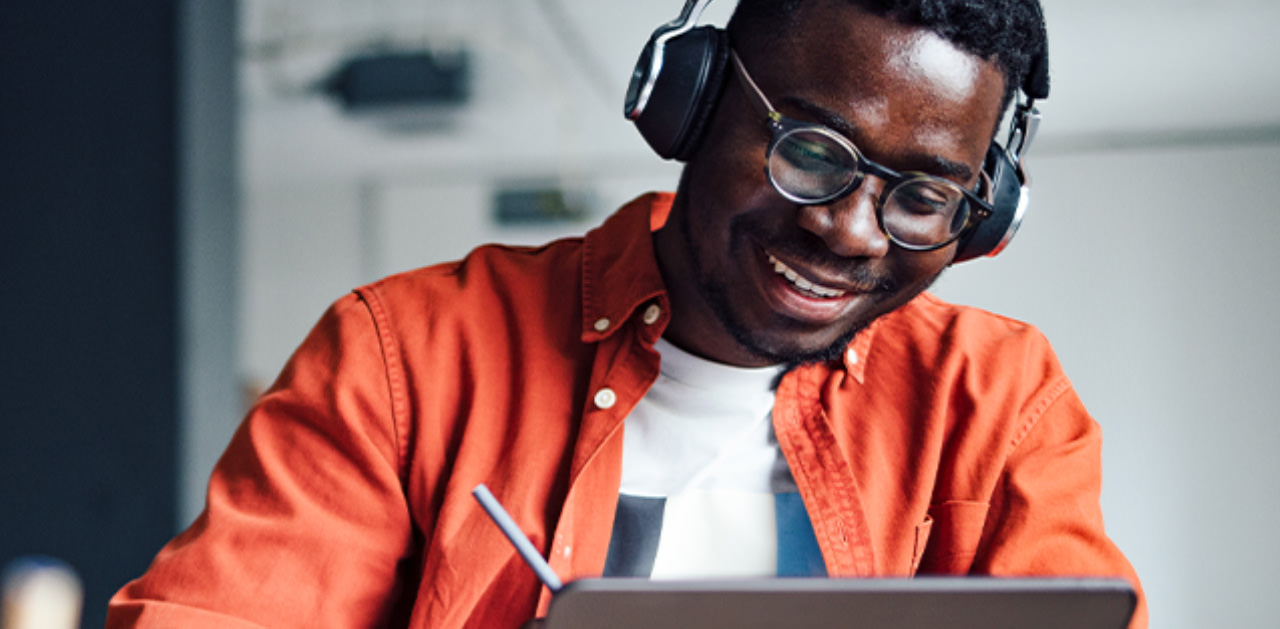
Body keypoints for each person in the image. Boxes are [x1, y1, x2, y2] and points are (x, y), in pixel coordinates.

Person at [107, 0, 1146, 627]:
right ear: (689, 105)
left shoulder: (996, 396)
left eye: (921, 197)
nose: (852, 231)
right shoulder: (404, 351)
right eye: (811, 154)